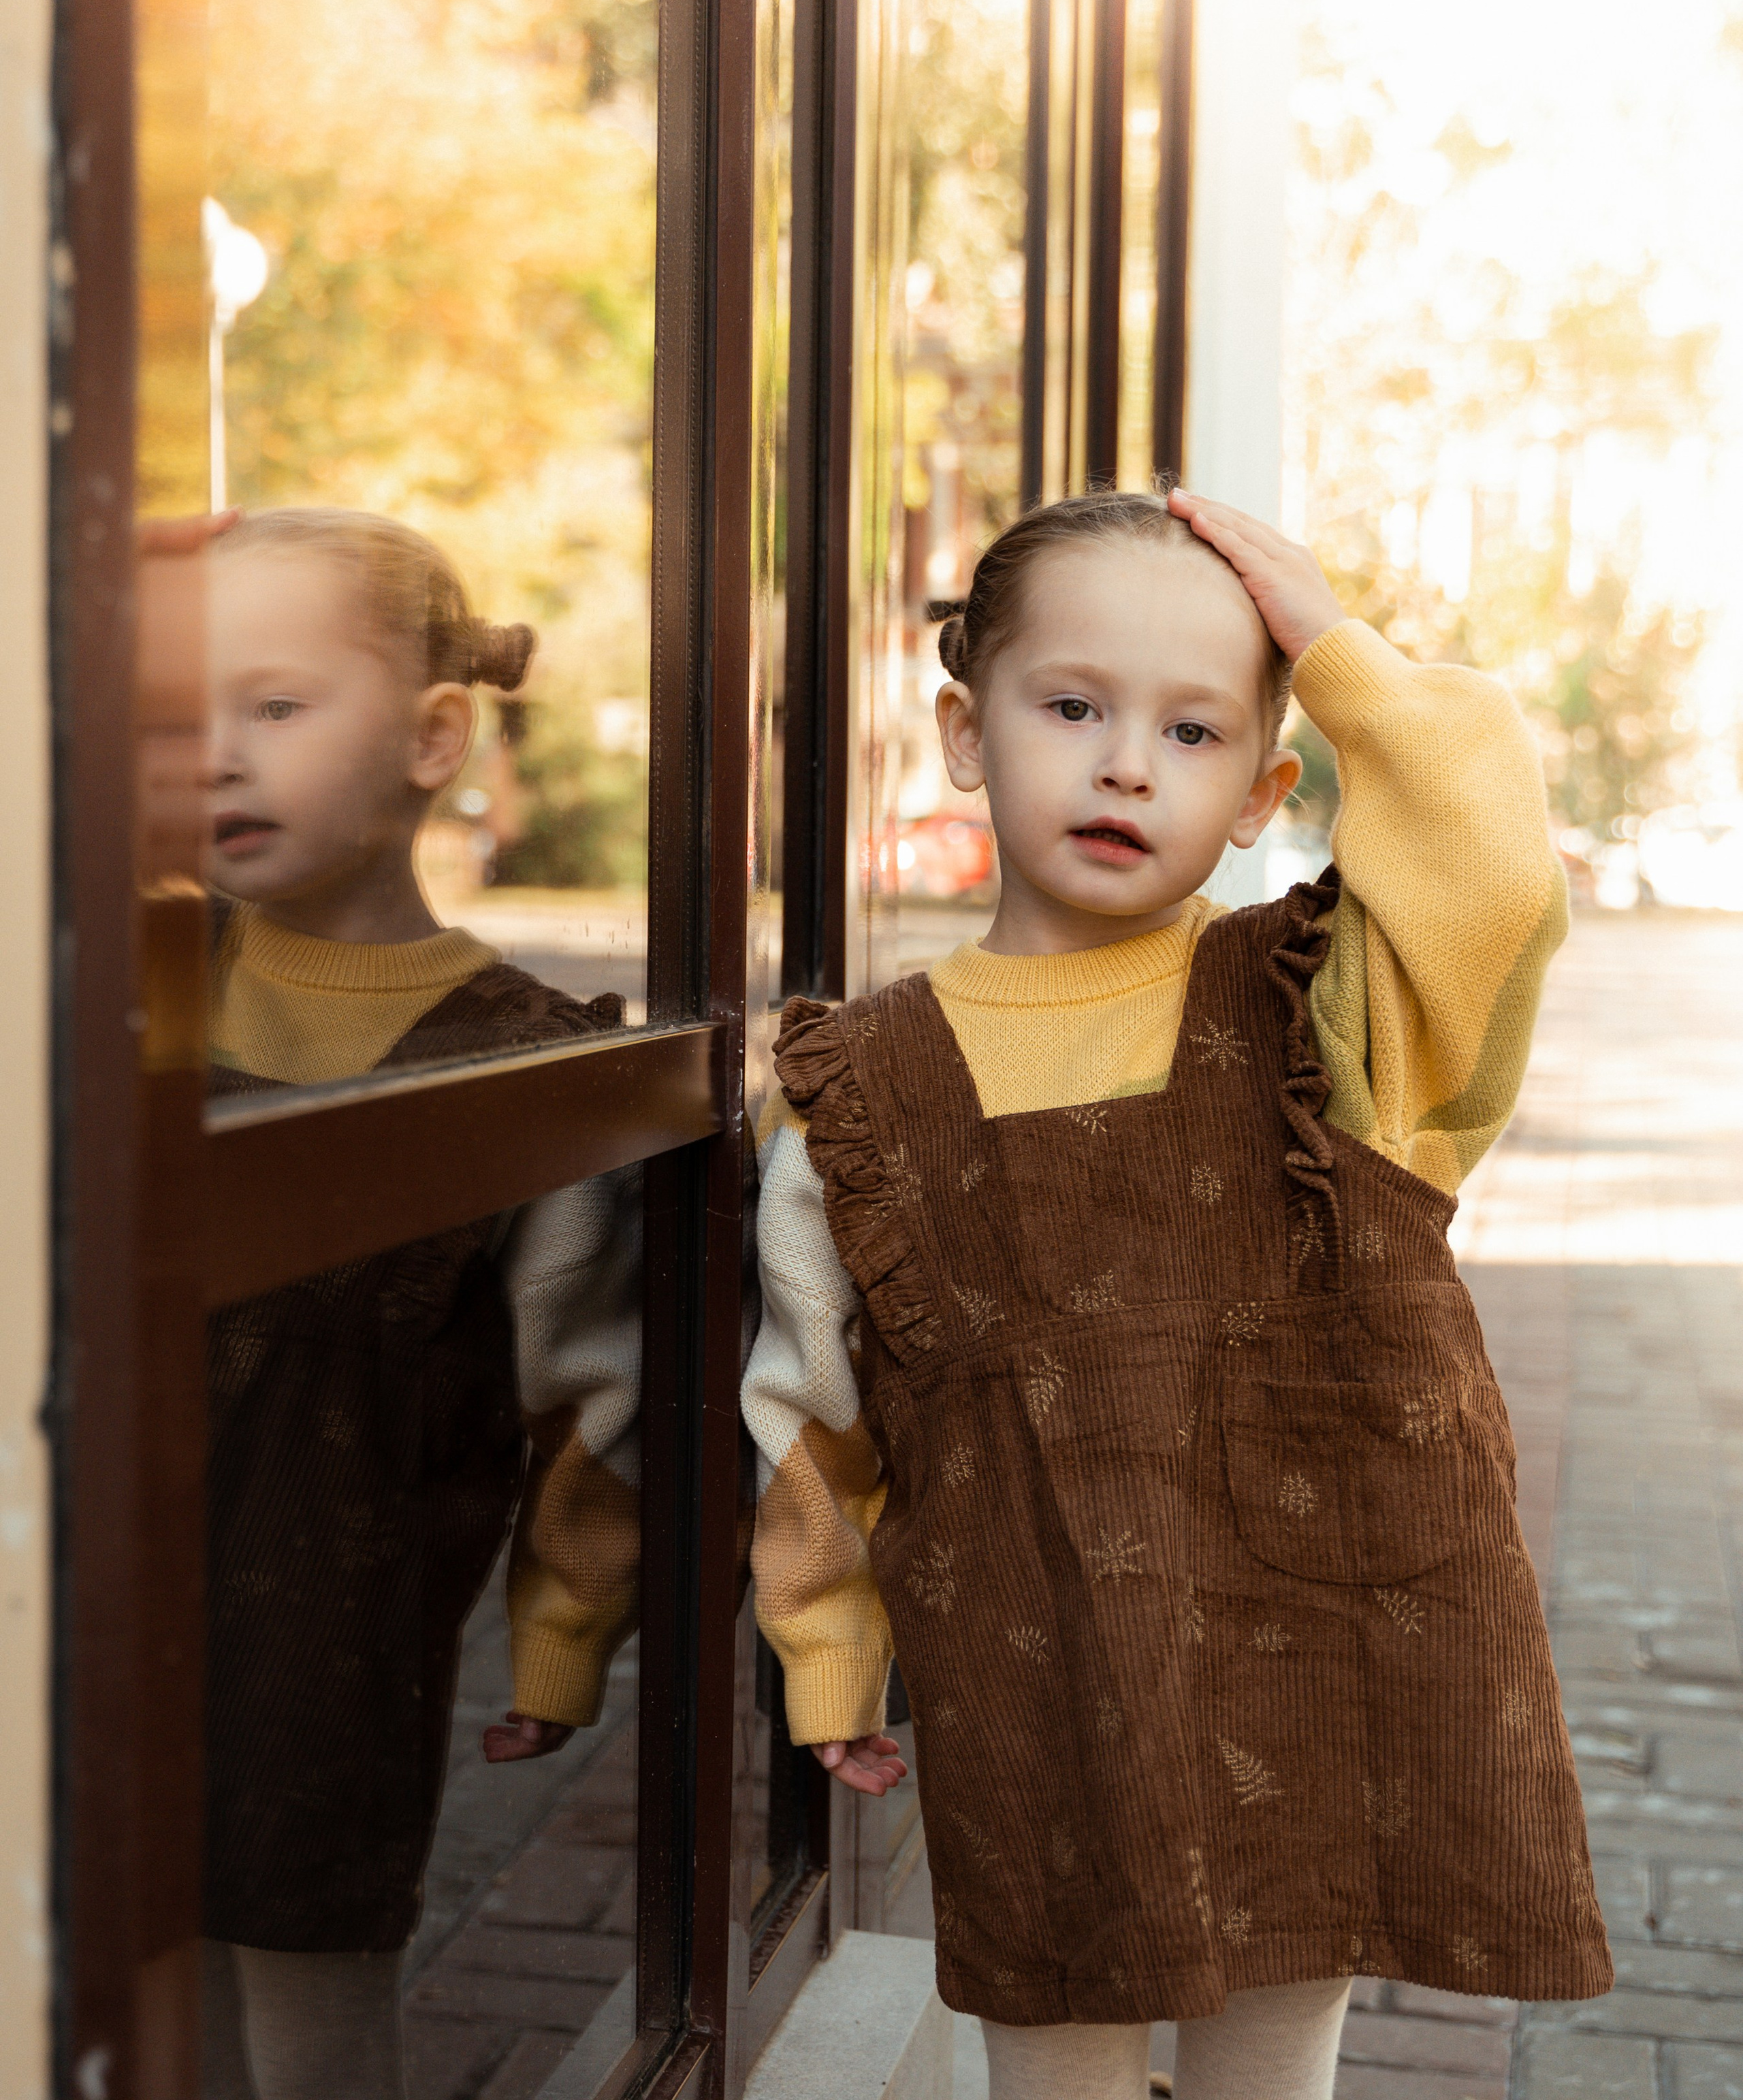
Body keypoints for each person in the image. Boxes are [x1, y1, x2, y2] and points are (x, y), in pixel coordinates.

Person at [742, 484, 1610, 2100]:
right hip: (1040, 1680)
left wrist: (1336, 649)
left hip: (1325, 1658)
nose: (1127, 761)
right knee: (1053, 2066)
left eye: (1195, 731)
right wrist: (829, 1650)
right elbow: (813, 1412)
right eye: (1070, 706)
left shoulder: (1337, 1020)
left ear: (1267, 787)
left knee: (1264, 2077)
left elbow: (1496, 881)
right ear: (961, 730)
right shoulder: (852, 1089)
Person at [200, 508, 641, 2100]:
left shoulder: (520, 1064)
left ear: (433, 734)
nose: (212, 755)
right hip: (78, 1620)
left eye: (273, 704)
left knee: (309, 2026)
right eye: (168, 713)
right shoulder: (106, 973)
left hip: (331, 1655)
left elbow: (592, 1386)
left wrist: (560, 1642)